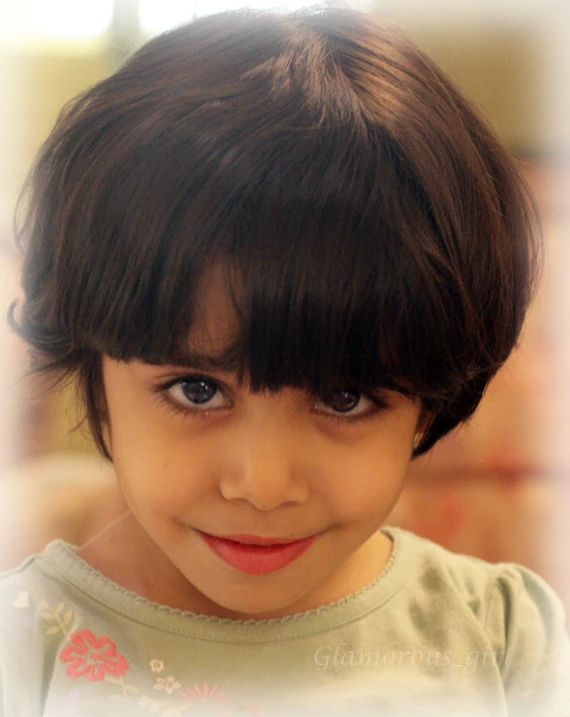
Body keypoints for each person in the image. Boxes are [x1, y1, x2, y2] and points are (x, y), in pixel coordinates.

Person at [2, 8, 569, 717]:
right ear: (95, 360)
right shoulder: (26, 646)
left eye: (344, 397)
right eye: (198, 389)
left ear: (431, 399)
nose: (265, 485)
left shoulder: (507, 641)